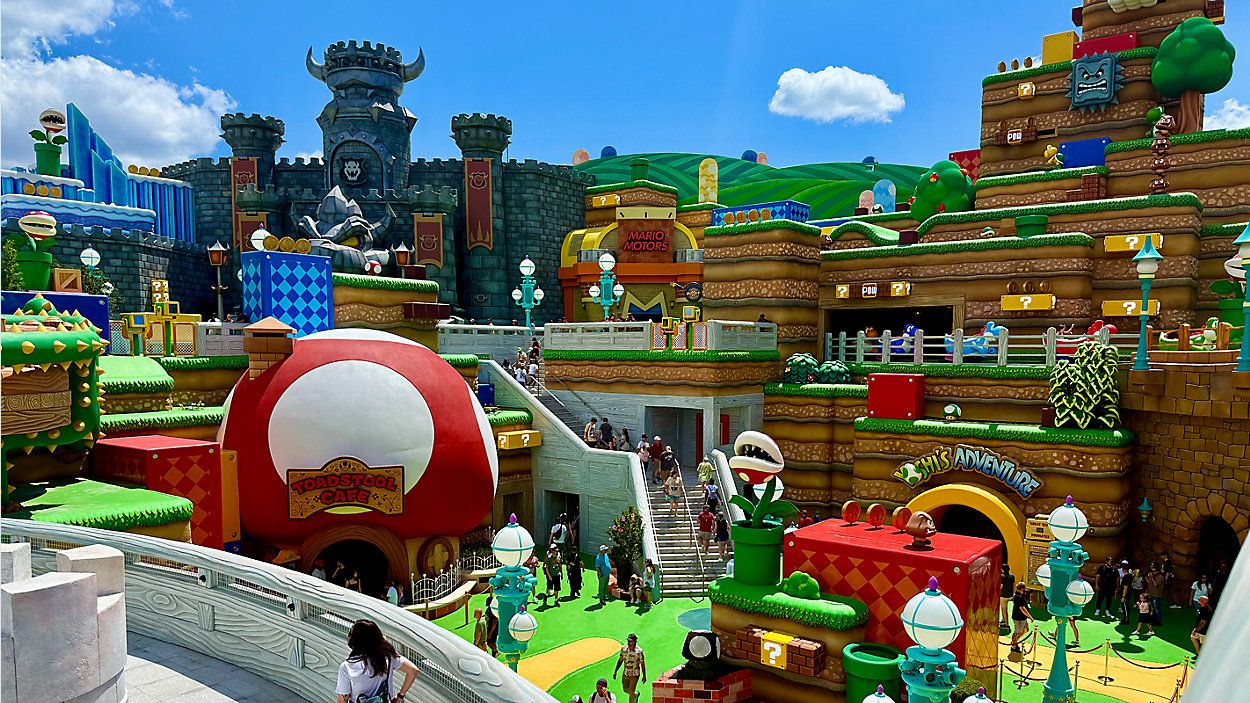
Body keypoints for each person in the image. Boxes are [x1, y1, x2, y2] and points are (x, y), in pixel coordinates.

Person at [335, 619, 419, 703]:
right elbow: (413, 670)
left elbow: (342, 700)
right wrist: (400, 696)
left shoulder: (347, 667)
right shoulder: (388, 656)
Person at [613, 634, 647, 703]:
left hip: (635, 674)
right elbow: (620, 660)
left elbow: (642, 664)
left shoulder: (639, 651)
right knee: (625, 689)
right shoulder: (624, 649)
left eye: (630, 641)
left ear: (635, 641)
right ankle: (635, 695)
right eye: (628, 641)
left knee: (631, 691)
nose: (629, 643)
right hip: (626, 673)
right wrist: (615, 671)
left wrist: (644, 675)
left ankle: (632, 696)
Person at [1010, 582, 1033, 653]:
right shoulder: (1019, 597)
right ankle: (1014, 645)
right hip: (1018, 618)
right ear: (1022, 589)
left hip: (1022, 618)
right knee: (1017, 632)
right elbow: (1022, 608)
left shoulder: (1018, 595)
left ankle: (1015, 642)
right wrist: (1030, 617)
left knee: (1025, 630)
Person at [1000, 563, 1016, 628]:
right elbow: (1014, 585)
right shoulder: (1012, 576)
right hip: (1010, 595)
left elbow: (1000, 586)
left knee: (1004, 610)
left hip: (1003, 595)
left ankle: (1007, 624)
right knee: (1002, 608)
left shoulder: (1002, 576)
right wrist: (1013, 593)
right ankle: (1003, 620)